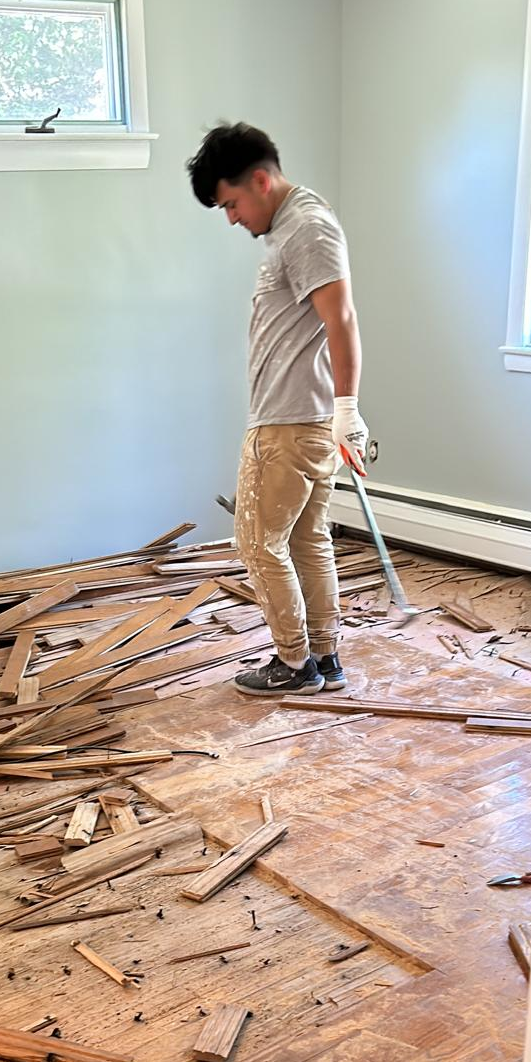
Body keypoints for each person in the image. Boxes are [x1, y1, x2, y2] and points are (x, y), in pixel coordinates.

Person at [187, 122, 367, 695]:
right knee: (307, 541)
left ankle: (294, 664)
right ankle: (324, 658)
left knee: (257, 543)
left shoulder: (306, 228)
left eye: (232, 203)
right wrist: (339, 413)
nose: (231, 218)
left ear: (261, 181)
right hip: (304, 421)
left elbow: (341, 319)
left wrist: (348, 407)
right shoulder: (299, 223)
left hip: (286, 424)